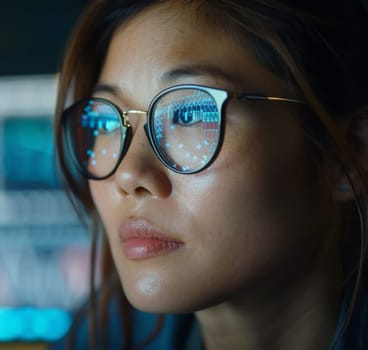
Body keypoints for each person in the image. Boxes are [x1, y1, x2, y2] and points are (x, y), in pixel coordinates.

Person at [52, 0, 368, 349]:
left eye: (189, 115)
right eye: (108, 122)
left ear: (346, 154)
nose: (128, 175)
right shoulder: (102, 334)